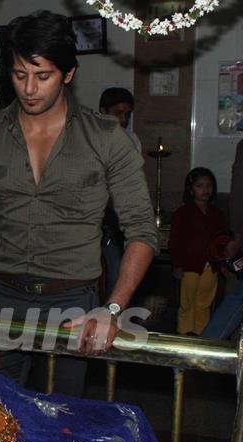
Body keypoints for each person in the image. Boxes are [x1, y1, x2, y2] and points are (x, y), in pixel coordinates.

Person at [0, 11, 157, 396]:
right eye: (20, 75)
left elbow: (141, 229)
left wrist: (113, 308)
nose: (29, 89)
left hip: (73, 302)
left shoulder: (105, 138)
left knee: (62, 419)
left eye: (43, 76)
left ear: (68, 74)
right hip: (0, 297)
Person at [201, 132, 243, 339]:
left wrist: (238, 236)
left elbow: (240, 193)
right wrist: (238, 236)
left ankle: (204, 349)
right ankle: (204, 349)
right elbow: (241, 194)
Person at [169, 167, 228, 335]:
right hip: (189, 265)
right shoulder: (183, 213)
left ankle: (202, 335)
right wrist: (177, 264)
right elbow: (175, 241)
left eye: (209, 185)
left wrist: (222, 263)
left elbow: (222, 240)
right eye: (200, 186)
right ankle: (184, 333)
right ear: (191, 189)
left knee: (204, 302)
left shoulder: (217, 214)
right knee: (187, 302)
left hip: (211, 266)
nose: (205, 190)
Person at [98, 88, 140, 299]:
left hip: (117, 221)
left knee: (117, 272)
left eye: (127, 114)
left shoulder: (131, 140)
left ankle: (108, 316)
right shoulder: (90, 140)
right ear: (102, 111)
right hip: (94, 218)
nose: (123, 119)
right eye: (118, 113)